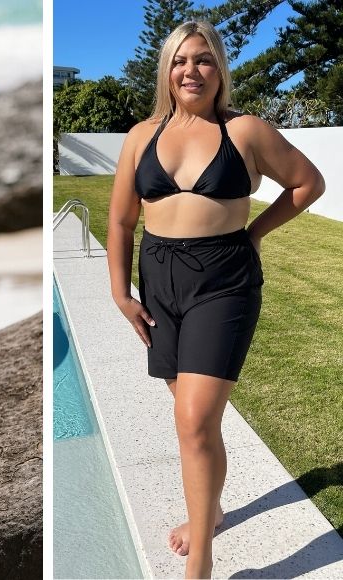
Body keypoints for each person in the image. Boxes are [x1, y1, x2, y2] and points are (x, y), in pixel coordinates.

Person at [107, 20, 324, 579]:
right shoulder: (141, 134)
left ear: (220, 68)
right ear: (166, 70)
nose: (191, 71)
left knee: (194, 418)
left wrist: (253, 233)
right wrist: (118, 290)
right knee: (196, 424)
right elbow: (121, 218)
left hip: (223, 280)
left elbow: (307, 183)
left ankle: (200, 558)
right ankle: (212, 509)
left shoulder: (245, 131)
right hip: (161, 282)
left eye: (203, 60)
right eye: (180, 61)